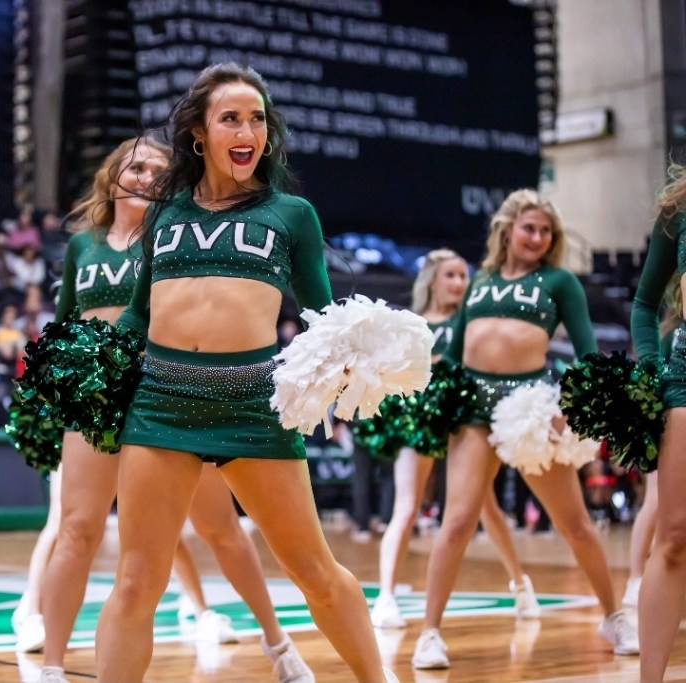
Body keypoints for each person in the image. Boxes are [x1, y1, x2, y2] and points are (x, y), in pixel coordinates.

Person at [93, 63, 396, 683]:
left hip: (253, 403)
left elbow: (320, 315)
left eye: (257, 119)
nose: (247, 131)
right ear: (200, 133)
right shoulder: (165, 214)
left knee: (313, 570)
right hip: (161, 400)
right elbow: (140, 311)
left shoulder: (291, 213)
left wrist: (350, 359)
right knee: (136, 581)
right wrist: (94, 360)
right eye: (230, 118)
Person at [33, 131, 317, 683]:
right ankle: (51, 666)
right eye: (135, 166)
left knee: (219, 528)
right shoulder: (83, 246)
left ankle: (278, 643)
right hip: (98, 395)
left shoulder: (178, 232)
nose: (145, 177)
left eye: (156, 170)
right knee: (77, 529)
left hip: (167, 392)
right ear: (112, 175)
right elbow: (64, 321)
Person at [412, 190, 638, 669]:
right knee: (457, 521)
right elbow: (455, 353)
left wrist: (570, 408)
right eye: (529, 228)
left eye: (545, 231)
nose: (537, 238)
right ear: (507, 229)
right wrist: (432, 391)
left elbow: (588, 353)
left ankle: (613, 614)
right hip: (474, 406)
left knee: (574, 523)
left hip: (529, 408)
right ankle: (430, 632)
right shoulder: (481, 280)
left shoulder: (559, 282)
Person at [371, 249, 541, 629]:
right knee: (407, 506)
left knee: (486, 507)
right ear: (432, 280)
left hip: (465, 418)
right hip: (421, 418)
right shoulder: (411, 323)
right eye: (451, 275)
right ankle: (386, 597)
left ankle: (520, 583)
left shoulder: (474, 320)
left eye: (464, 276)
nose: (459, 282)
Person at [629, 163, 686, 681]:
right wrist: (652, 368)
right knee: (675, 534)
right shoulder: (678, 209)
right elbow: (646, 302)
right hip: (685, 380)